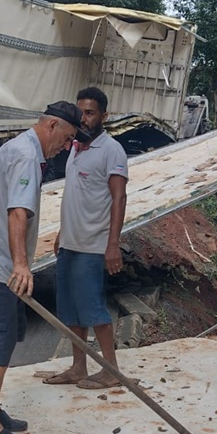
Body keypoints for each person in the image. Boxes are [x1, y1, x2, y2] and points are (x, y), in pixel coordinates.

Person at [0, 101, 84, 434]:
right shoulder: (26, 156)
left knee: (3, 338)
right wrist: (20, 265)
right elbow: (17, 213)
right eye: (67, 138)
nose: (67, 146)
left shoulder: (21, 149)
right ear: (52, 126)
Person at [44, 87, 129, 389]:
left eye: (90, 113)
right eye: (80, 113)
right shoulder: (75, 148)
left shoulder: (111, 150)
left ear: (104, 116)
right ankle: (78, 366)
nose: (84, 119)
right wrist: (62, 232)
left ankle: (111, 370)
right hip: (70, 242)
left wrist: (113, 244)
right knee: (71, 311)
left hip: (93, 244)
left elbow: (119, 198)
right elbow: (76, 195)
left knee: (93, 309)